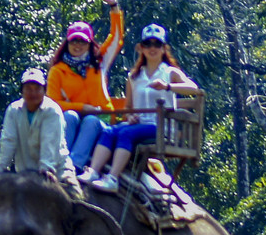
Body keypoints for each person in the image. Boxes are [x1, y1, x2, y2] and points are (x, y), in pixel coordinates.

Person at [84, 23, 199, 192]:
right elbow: (129, 106)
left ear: (163, 48)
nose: (152, 48)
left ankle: (113, 178)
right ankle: (93, 171)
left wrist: (168, 86)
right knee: (109, 131)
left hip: (160, 128)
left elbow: (193, 88)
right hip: (139, 124)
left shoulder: (169, 72)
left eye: (157, 44)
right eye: (148, 44)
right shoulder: (134, 76)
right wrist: (130, 117)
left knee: (126, 133)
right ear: (141, 48)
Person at [48, 0, 126, 173]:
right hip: (73, 116)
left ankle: (74, 166)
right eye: (74, 41)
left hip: (100, 116)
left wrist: (114, 6)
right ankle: (60, 161)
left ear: (89, 44)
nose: (78, 45)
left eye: (82, 41)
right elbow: (52, 103)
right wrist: (82, 107)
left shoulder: (99, 62)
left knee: (91, 120)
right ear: (67, 43)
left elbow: (116, 38)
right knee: (70, 116)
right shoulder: (58, 70)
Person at [0, 67, 82, 199]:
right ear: (22, 91)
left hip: (56, 171)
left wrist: (46, 169)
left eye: (37, 89)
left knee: (76, 199)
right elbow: (8, 141)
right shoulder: (13, 110)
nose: (33, 93)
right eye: (29, 89)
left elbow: (49, 142)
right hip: (24, 174)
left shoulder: (52, 111)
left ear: (44, 90)